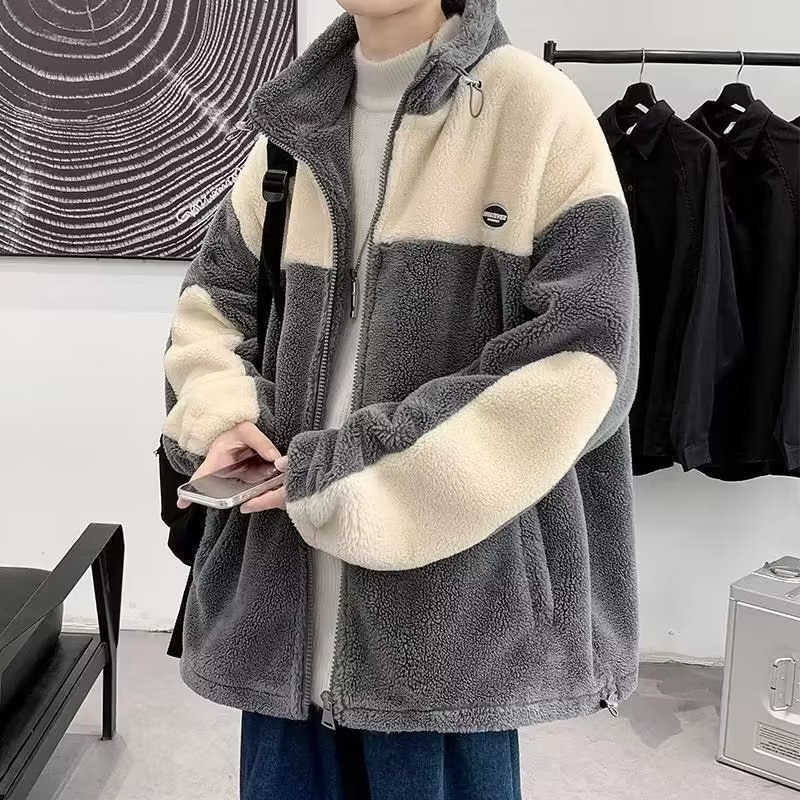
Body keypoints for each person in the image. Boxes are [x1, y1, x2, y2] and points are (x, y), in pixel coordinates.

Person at [162, 0, 639, 797]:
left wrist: (352, 468)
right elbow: (212, 308)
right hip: (281, 605)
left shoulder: (534, 110)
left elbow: (584, 360)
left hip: (452, 619)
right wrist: (224, 415)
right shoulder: (290, 128)